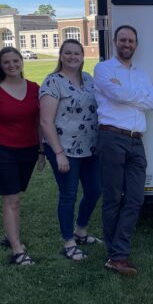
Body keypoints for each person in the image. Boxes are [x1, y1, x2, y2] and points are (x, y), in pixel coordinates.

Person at [94, 25, 153, 275]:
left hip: (136, 140)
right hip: (111, 138)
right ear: (114, 42)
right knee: (112, 198)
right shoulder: (103, 69)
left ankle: (117, 251)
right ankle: (117, 255)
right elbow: (116, 94)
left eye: (131, 40)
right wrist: (136, 96)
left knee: (134, 199)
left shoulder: (142, 74)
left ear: (136, 44)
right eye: (123, 39)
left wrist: (128, 94)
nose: (127, 44)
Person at [0, 47, 45, 266]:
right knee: (12, 199)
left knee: (17, 196)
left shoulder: (35, 88)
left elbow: (39, 124)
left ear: (21, 62)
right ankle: (17, 249)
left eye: (15, 61)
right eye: (6, 62)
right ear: (0, 65)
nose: (12, 65)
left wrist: (41, 151)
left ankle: (11, 235)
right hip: (3, 150)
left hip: (28, 150)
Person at [40, 39, 102, 261]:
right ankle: (68, 242)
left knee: (95, 190)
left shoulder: (88, 79)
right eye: (68, 53)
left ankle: (81, 230)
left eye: (77, 53)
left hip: (90, 147)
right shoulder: (53, 82)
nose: (73, 57)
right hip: (64, 149)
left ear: (83, 56)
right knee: (68, 195)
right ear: (61, 55)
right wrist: (58, 153)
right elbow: (46, 121)